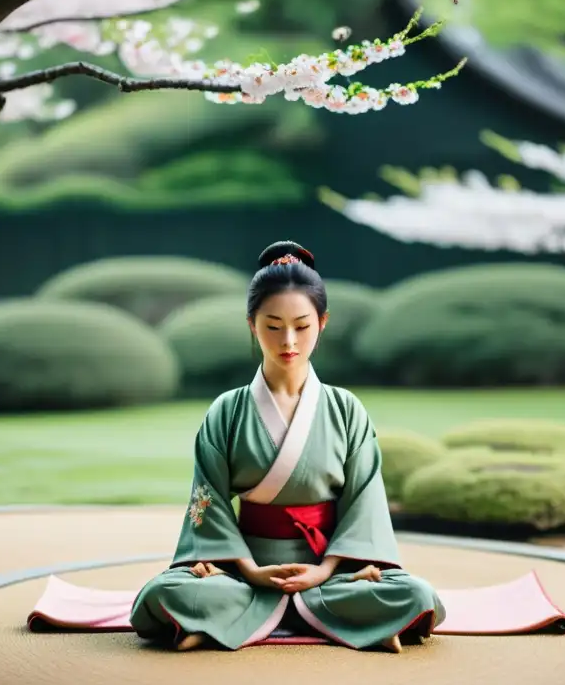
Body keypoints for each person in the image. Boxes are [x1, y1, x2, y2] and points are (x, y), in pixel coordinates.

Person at [129, 241, 446, 653]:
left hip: (333, 573)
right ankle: (347, 624)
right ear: (252, 325)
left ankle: (214, 626)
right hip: (242, 574)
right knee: (167, 592)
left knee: (415, 594)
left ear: (323, 322)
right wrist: (251, 570)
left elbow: (363, 503)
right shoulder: (226, 411)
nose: (289, 340)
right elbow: (207, 503)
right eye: (273, 326)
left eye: (302, 325)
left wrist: (325, 570)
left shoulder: (345, 409)